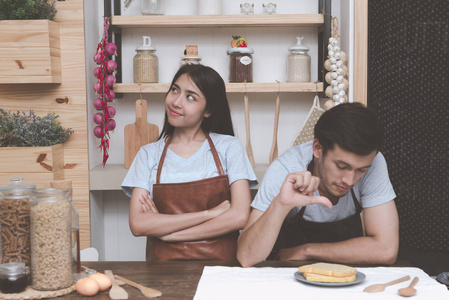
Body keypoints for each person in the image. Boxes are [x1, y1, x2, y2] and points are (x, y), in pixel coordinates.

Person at [237, 102, 399, 267]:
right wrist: (281, 205)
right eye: (341, 166)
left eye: (361, 170)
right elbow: (246, 257)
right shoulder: (286, 168)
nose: (350, 180)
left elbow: (386, 250)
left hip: (346, 275)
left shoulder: (374, 163)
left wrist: (307, 251)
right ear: (317, 148)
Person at [122, 64, 257, 261]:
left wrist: (169, 233)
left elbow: (239, 216)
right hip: (163, 273)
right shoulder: (148, 154)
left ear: (208, 110)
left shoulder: (229, 147)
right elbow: (138, 224)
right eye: (175, 90)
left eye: (190, 97)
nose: (176, 102)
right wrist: (210, 213)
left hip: (221, 271)